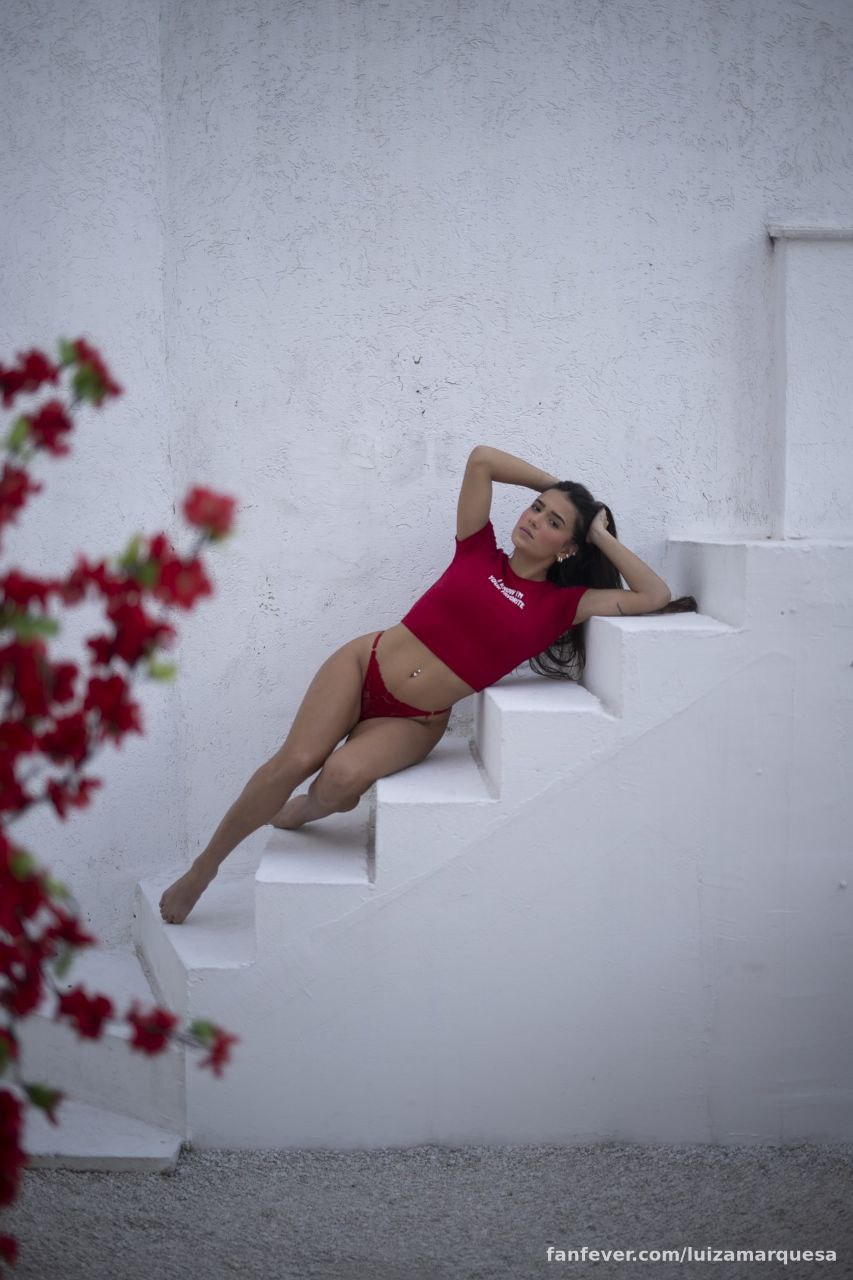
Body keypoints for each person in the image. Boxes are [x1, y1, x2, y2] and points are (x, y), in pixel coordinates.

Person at [159, 444, 690, 924]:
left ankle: (304, 810)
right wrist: (558, 486)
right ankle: (203, 870)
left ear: (568, 547)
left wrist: (598, 532)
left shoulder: (562, 606)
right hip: (364, 664)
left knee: (338, 781)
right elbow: (482, 459)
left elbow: (654, 595)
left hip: (413, 720)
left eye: (553, 522)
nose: (534, 520)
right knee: (294, 761)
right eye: (536, 508)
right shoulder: (477, 548)